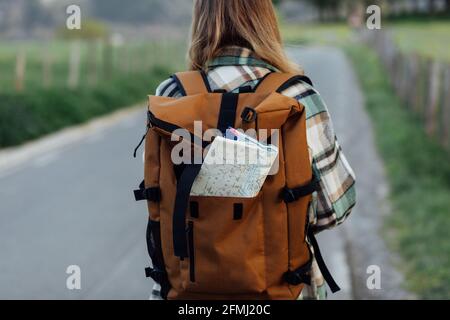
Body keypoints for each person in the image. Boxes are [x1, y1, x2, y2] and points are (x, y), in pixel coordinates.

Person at [148, 0, 356, 300]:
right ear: (266, 21)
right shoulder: (296, 96)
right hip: (283, 290)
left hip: (185, 294)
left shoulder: (171, 96)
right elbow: (335, 208)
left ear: (200, 21)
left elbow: (158, 202)